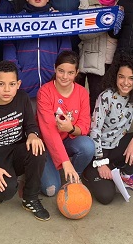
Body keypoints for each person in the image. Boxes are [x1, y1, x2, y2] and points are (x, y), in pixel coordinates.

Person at [0, 60, 50, 221]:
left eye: (12, 84)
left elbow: (31, 124)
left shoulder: (22, 98)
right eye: (1, 84)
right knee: (6, 193)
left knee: (38, 149)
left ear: (18, 84)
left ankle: (30, 198)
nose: (7, 89)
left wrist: (32, 135)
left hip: (17, 150)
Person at [82, 56, 133, 204]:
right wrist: (101, 161)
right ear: (115, 76)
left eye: (131, 78)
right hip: (99, 152)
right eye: (121, 77)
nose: (126, 82)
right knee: (106, 197)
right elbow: (95, 129)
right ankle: (90, 172)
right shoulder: (106, 97)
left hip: (117, 148)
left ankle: (127, 175)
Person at [36, 51, 94, 197]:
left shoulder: (82, 92)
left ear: (77, 73)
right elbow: (49, 131)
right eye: (61, 71)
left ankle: (74, 175)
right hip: (46, 144)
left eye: (70, 73)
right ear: (55, 68)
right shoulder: (45, 92)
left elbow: (85, 126)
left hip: (67, 140)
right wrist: (65, 161)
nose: (65, 76)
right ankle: (55, 167)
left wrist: (71, 129)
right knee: (51, 190)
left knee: (88, 145)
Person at [3, 0, 71, 103]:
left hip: (53, 82)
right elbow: (9, 50)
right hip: (24, 85)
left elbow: (65, 50)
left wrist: (59, 73)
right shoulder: (15, 21)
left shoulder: (59, 20)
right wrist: (18, 75)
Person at [78, 0, 122, 112]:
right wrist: (105, 24)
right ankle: (93, 133)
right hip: (93, 59)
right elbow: (82, 34)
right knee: (96, 100)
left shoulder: (121, 2)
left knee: (114, 100)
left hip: (114, 59)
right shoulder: (86, 2)